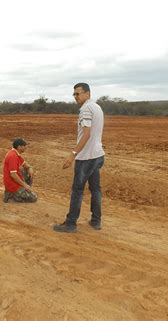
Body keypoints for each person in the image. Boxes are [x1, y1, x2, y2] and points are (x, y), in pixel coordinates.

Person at [53, 83, 105, 233]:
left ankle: (70, 224)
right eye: (74, 94)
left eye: (78, 93)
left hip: (86, 157)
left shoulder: (85, 109)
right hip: (98, 155)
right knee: (95, 189)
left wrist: (73, 154)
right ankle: (96, 221)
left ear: (87, 93)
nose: (75, 97)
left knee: (77, 190)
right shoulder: (97, 107)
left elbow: (87, 133)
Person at [3, 138, 38, 203]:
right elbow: (13, 175)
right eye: (24, 146)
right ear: (19, 147)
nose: (26, 147)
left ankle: (16, 193)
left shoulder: (15, 154)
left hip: (13, 184)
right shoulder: (13, 156)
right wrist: (24, 185)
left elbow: (25, 165)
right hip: (12, 186)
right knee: (34, 197)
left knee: (26, 171)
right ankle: (11, 197)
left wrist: (30, 168)